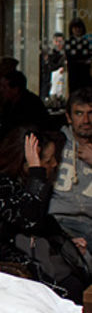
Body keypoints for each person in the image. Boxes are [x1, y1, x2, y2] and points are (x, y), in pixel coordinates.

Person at [0, 128, 87, 302]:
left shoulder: (20, 182)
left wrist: (65, 241)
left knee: (76, 275)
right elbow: (30, 220)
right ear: (25, 163)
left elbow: (42, 222)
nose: (54, 164)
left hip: (17, 254)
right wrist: (37, 171)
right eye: (47, 161)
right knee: (68, 288)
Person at [50, 87, 92, 248]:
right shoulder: (56, 144)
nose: (86, 120)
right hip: (59, 222)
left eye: (91, 113)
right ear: (69, 117)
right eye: (79, 113)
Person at [0, 69, 50, 142]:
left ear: (15, 89)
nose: (1, 90)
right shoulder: (8, 105)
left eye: (4, 87)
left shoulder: (31, 104)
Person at [65, 18, 92, 93]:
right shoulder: (69, 42)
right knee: (74, 92)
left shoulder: (86, 42)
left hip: (85, 72)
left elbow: (89, 56)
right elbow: (69, 56)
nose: (77, 30)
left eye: (79, 28)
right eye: (75, 28)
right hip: (73, 72)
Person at [42, 32, 66, 98]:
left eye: (60, 42)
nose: (58, 44)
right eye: (56, 41)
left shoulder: (65, 53)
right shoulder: (50, 53)